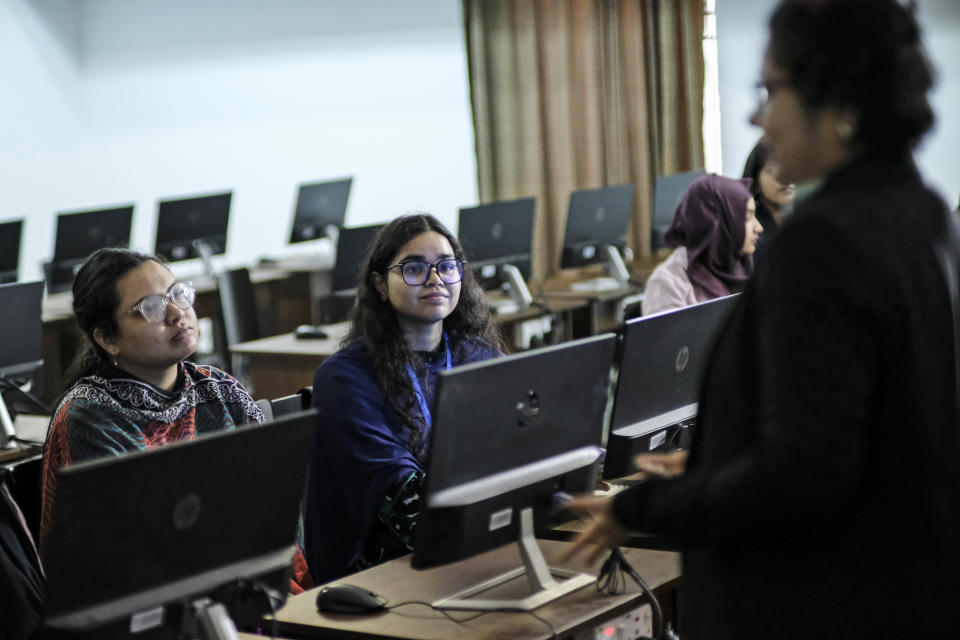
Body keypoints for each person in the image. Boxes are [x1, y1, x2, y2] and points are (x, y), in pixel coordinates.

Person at [566, 1, 960, 638]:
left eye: (771, 89)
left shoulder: (824, 242)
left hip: (813, 601)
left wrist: (646, 505)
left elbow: (800, 477)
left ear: (837, 106)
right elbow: (862, 425)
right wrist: (719, 459)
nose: (756, 115)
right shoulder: (924, 212)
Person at [40, 249, 313, 593]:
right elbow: (142, 544)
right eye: (151, 308)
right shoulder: (91, 415)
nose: (177, 313)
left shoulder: (220, 389)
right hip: (151, 611)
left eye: (177, 294)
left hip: (254, 588)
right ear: (108, 339)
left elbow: (279, 503)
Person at [304, 213, 503, 583]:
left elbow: (522, 445)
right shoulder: (346, 377)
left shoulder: (476, 356)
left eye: (446, 266)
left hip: (473, 542)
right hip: (378, 575)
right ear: (380, 284)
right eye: (414, 269)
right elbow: (405, 506)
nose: (434, 280)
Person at [641, 174, 762, 315]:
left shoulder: (746, 266)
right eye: (747, 218)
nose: (759, 227)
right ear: (718, 225)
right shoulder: (669, 283)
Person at [741, 139, 795, 263]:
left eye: (790, 168)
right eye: (773, 171)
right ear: (756, 184)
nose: (785, 178)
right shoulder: (749, 228)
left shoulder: (810, 217)